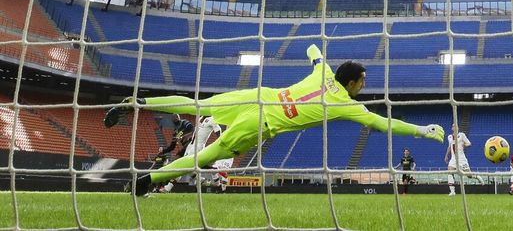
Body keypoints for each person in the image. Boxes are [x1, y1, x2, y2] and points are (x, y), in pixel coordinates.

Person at [105, 44, 445, 196]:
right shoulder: (347, 106)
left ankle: (140, 101)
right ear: (353, 82)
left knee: (198, 104)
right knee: (207, 155)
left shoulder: (323, 71)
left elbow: (313, 48)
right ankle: (150, 179)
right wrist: (422, 129)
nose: (365, 86)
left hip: (259, 95)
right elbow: (384, 124)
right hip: (262, 122)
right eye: (363, 82)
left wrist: (317, 53)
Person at [445, 123, 484, 196]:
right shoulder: (449, 137)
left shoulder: (462, 135)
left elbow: (469, 143)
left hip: (461, 159)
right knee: (450, 172)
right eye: (453, 126)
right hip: (453, 158)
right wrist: (446, 156)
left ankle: (477, 177)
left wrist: (463, 145)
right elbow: (449, 147)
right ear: (452, 128)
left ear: (458, 128)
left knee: (468, 175)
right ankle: (452, 191)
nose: (454, 127)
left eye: (456, 126)